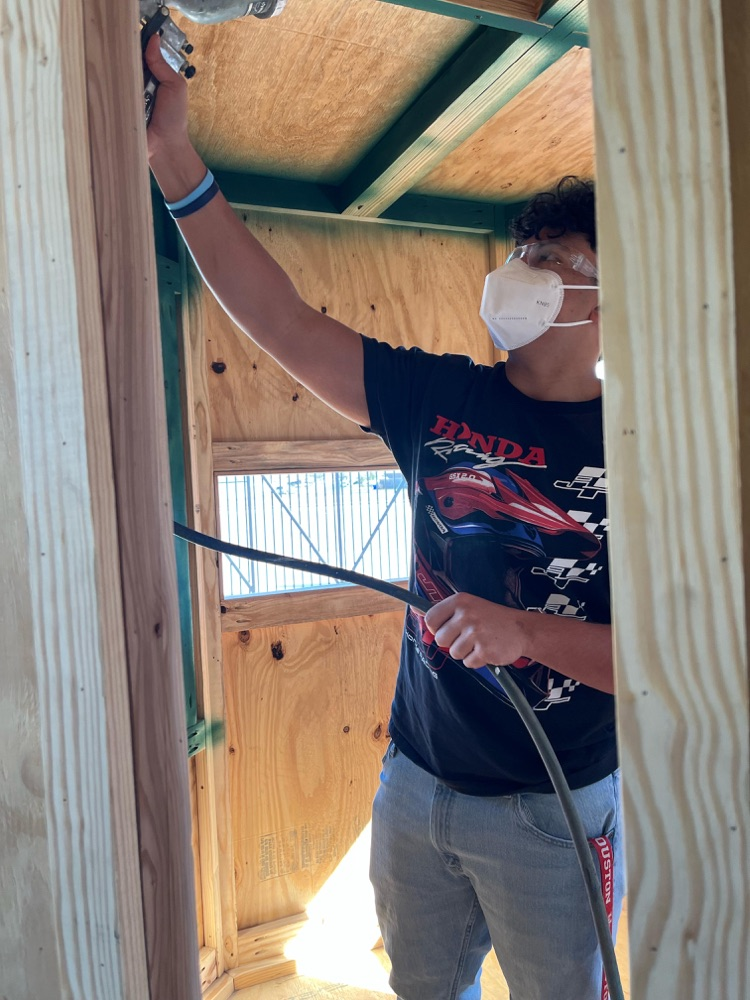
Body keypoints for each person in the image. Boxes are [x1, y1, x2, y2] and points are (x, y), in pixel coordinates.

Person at [145, 36, 623, 1000]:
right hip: (414, 785)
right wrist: (173, 162)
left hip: (554, 810)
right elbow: (279, 320)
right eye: (521, 252)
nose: (522, 271)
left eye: (555, 260)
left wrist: (525, 631)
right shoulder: (438, 401)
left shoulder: (655, 455)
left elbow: (677, 663)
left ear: (617, 298)